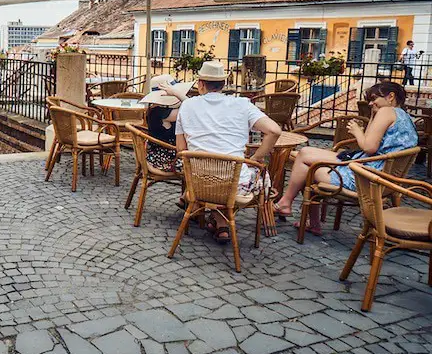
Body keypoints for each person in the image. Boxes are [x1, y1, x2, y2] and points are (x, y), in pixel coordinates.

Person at [274, 81, 418, 236]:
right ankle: (288, 205)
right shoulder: (404, 116)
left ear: (391, 96)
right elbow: (371, 144)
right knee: (305, 153)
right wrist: (372, 116)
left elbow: (369, 147)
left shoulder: (387, 112)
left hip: (365, 177)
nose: (371, 103)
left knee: (307, 167)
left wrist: (357, 131)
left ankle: (290, 207)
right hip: (377, 172)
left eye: (374, 98)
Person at [176, 61, 282, 243]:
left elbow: (181, 150)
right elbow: (274, 131)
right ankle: (222, 223)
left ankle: (218, 222)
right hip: (234, 185)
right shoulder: (242, 105)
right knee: (250, 172)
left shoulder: (187, 106)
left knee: (217, 174)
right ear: (224, 85)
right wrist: (256, 158)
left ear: (200, 84)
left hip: (199, 182)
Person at [141, 77, 194, 173]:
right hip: (166, 159)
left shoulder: (154, 109)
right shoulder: (161, 112)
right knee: (198, 165)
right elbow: (192, 109)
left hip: (157, 155)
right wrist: (178, 94)